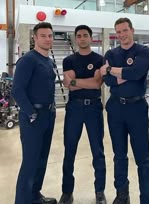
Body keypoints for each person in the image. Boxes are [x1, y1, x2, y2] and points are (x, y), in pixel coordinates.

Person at [100, 17, 149, 204]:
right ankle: (122, 195)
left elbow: (138, 72)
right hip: (115, 108)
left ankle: (147, 198)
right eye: (119, 31)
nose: (122, 34)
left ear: (132, 30)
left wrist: (112, 70)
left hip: (137, 108)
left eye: (125, 30)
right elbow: (107, 81)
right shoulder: (110, 52)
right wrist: (126, 73)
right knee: (119, 155)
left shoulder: (143, 51)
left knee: (143, 158)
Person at [58, 25, 106, 204]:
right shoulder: (69, 60)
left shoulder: (100, 59)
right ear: (76, 39)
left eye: (85, 35)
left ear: (91, 38)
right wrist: (87, 81)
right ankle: (67, 192)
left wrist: (77, 81)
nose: (82, 38)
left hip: (94, 109)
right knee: (69, 150)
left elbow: (97, 84)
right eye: (79, 36)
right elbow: (69, 85)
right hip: (74, 109)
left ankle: (99, 191)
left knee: (98, 151)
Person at [12, 22, 57, 204]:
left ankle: (34, 196)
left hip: (48, 115)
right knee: (30, 162)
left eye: (50, 36)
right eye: (43, 36)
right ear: (35, 38)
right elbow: (17, 90)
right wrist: (31, 114)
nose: (48, 39)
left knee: (42, 159)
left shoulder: (48, 60)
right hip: (33, 117)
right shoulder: (28, 60)